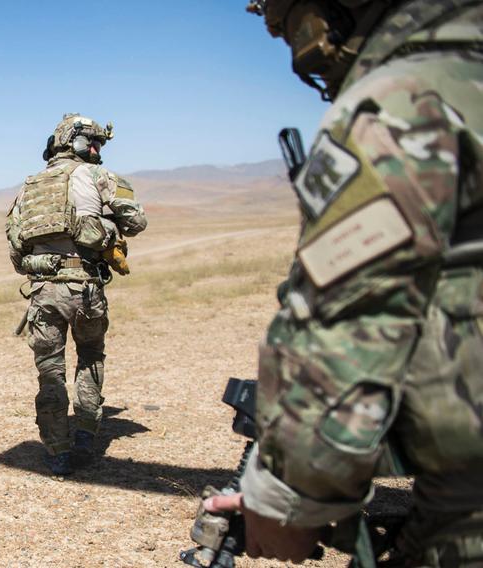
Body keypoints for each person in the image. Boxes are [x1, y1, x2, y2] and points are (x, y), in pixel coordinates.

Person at [204, 1, 483, 565]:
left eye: (288, 27)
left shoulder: (406, 97)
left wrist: (287, 500)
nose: (293, 47)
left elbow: (348, 324)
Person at [6, 114, 148, 475]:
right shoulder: (98, 176)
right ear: (80, 143)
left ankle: (57, 451)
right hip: (85, 289)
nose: (99, 150)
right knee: (90, 357)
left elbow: (16, 251)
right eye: (95, 143)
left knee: (49, 370)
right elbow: (137, 221)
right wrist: (106, 225)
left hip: (43, 292)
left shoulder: (29, 186)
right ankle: (86, 434)